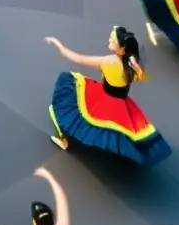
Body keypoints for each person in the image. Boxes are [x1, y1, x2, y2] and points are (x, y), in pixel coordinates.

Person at [45, 28, 171, 165]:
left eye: (112, 39)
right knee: (120, 129)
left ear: (121, 48)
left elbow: (78, 58)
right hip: (121, 103)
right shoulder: (132, 64)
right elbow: (138, 74)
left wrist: (59, 45)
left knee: (66, 86)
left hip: (103, 98)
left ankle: (62, 137)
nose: (109, 40)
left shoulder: (109, 61)